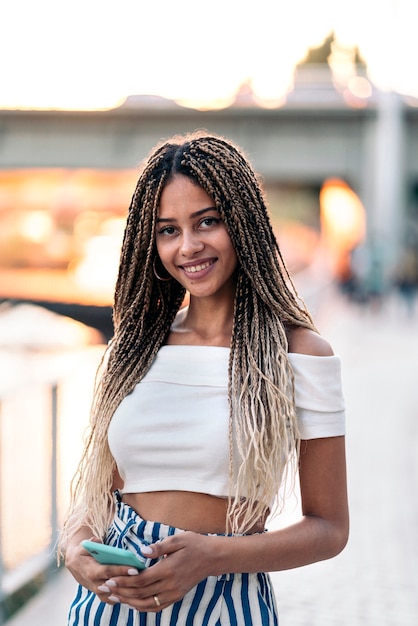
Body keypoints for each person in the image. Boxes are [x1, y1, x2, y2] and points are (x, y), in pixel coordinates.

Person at [60, 131, 349, 625]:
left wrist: (211, 557)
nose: (188, 246)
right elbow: (103, 495)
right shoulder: (133, 350)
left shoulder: (298, 353)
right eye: (168, 230)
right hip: (113, 602)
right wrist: (74, 547)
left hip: (225, 602)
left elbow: (329, 529)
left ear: (243, 222)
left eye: (207, 222)